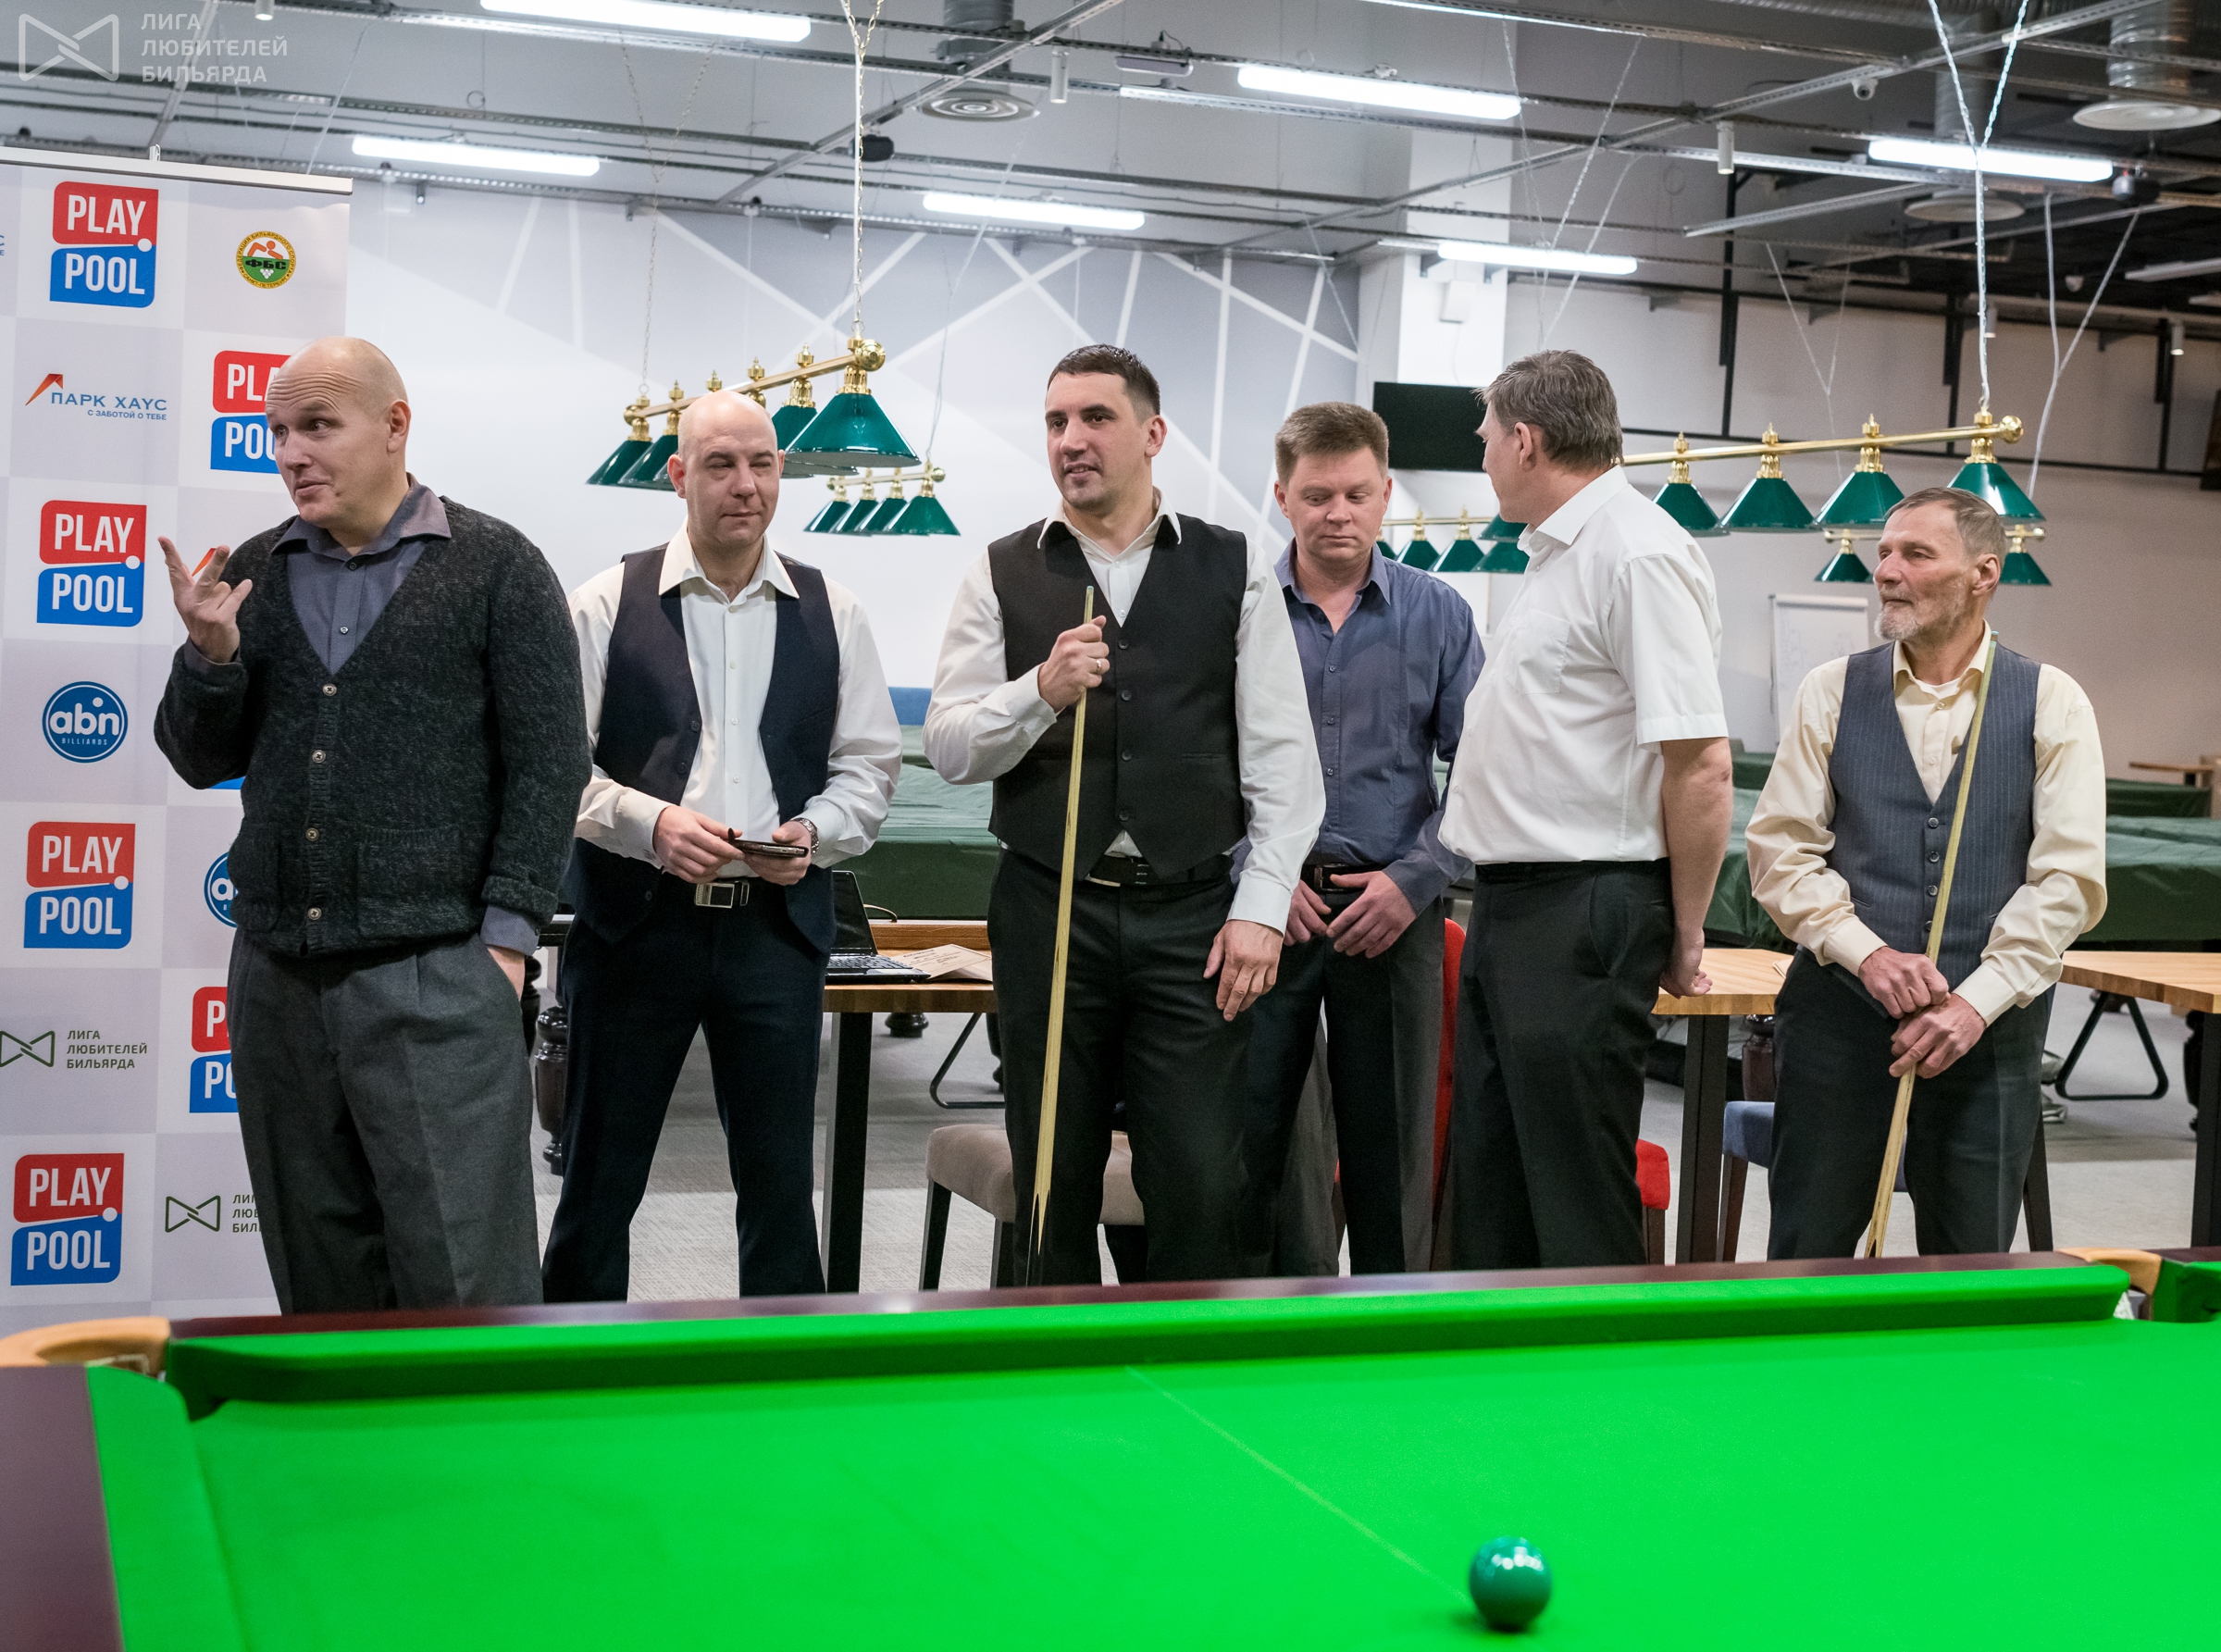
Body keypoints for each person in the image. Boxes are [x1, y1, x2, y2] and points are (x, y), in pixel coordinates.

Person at [154, 336, 587, 1313]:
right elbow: (197, 757)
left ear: (395, 426)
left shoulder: (498, 566)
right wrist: (210, 659)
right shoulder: (255, 569)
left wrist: (506, 941)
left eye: (317, 425)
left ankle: (475, 1428)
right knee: (319, 1281)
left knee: (464, 1284)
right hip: (278, 979)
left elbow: (551, 762)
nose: (290, 453)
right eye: (277, 431)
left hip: (438, 970)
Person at [925, 344, 1323, 1285]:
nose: (1071, 439)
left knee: (1199, 1180)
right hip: (1048, 908)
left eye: (1095, 418)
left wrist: (1262, 909)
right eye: (1056, 421)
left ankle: (1181, 1364)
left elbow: (1283, 760)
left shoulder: (1233, 565)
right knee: (1052, 1178)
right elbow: (950, 746)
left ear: (1152, 434)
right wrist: (1039, 689)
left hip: (1193, 920)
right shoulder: (1000, 570)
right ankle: (1054, 1361)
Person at [543, 390, 901, 1300]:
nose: (746, 484)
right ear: (677, 475)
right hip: (634, 928)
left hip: (774, 934)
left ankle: (786, 1374)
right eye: (720, 464)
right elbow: (554, 771)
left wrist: (815, 832)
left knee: (781, 1194)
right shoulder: (603, 604)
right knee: (597, 1188)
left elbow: (868, 768)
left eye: (763, 464)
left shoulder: (835, 612)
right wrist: (651, 824)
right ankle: (567, 1368)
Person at [1748, 487, 2105, 1257]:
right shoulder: (1832, 689)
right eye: (1884, 552)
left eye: (1915, 553)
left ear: (1984, 573)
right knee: (1807, 1252)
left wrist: (1974, 1003)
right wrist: (1868, 954)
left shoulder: (2053, 700)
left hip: (1990, 1024)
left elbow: (2067, 882)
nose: (1887, 571)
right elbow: (1781, 851)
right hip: (1838, 1013)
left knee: (1969, 1258)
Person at [1437, 349, 1733, 1271]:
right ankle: (1499, 1355)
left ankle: (1605, 1358)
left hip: (1585, 903)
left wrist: (1687, 927)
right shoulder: (1558, 555)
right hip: (1515, 902)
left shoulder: (1637, 553)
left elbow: (1700, 762)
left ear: (1526, 441)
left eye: (1487, 437)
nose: (1484, 454)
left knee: (1570, 1186)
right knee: (1493, 1176)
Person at [1239, 402, 1481, 1276]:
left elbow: (1481, 775)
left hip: (1391, 914)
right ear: (1282, 497)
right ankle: (1269, 1325)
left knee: (1392, 1159)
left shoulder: (1440, 613)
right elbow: (1206, 765)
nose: (1337, 513)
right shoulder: (1243, 611)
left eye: (1356, 494)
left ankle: (1389, 1329)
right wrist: (1259, 875)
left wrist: (1415, 881)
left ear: (1385, 495)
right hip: (1266, 916)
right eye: (1316, 496)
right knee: (1257, 1150)